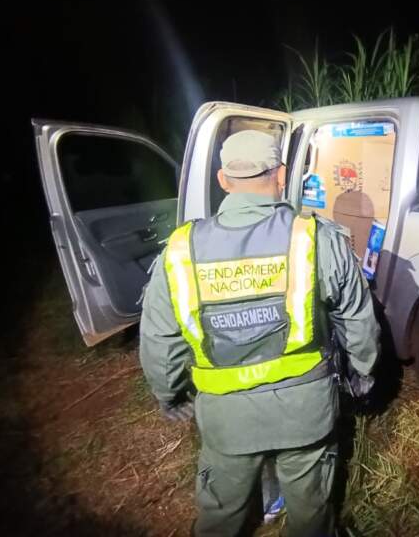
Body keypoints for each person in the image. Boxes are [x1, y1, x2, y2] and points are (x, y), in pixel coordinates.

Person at [139, 129, 380, 536]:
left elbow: (161, 342)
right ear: (282, 175)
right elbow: (358, 320)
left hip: (226, 420)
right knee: (311, 517)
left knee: (220, 518)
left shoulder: (179, 251)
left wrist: (170, 395)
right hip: (306, 415)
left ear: (222, 180)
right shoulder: (317, 238)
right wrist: (363, 375)